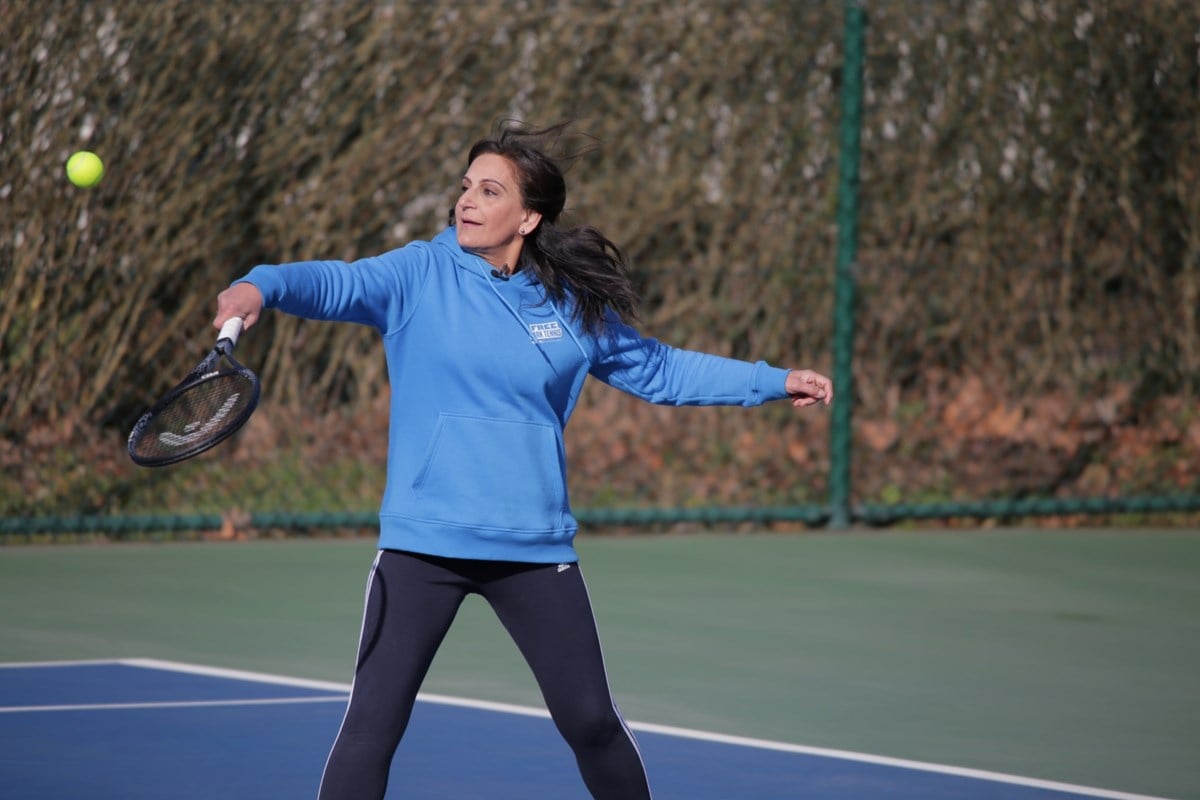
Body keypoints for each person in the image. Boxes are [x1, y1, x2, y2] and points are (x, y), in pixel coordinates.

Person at [214, 121, 832, 800]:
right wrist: (260, 287)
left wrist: (773, 380)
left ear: (529, 216)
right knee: (371, 728)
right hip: (424, 548)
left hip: (534, 553)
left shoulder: (568, 307)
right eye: (465, 188)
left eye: (489, 190)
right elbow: (333, 283)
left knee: (592, 724)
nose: (467, 202)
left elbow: (659, 370)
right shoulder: (418, 273)